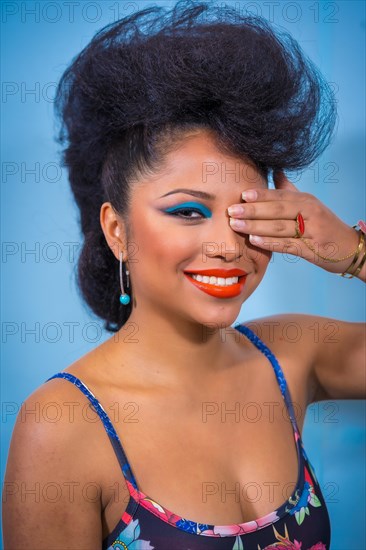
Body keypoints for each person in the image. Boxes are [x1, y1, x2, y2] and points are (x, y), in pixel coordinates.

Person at [2, 1, 365, 549]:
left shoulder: (293, 354)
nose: (227, 246)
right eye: (188, 211)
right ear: (117, 230)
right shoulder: (62, 425)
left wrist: (354, 252)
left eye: (247, 214)